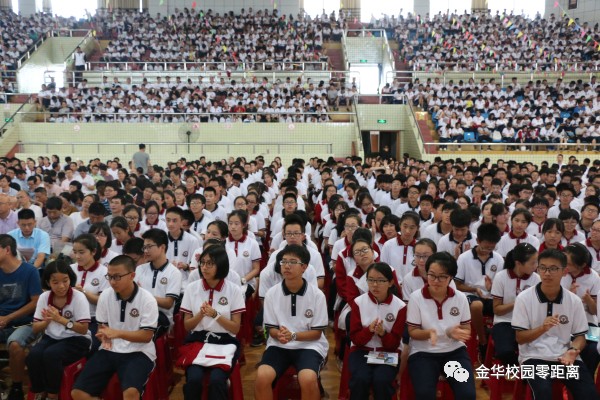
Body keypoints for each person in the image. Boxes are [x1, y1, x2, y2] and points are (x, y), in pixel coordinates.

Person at [512, 249, 598, 400]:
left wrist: (574, 350)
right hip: (533, 358)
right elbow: (520, 338)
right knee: (543, 393)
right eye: (543, 268)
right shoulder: (524, 298)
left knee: (588, 394)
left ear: (564, 271)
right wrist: (542, 328)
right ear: (537, 269)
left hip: (565, 358)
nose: (547, 273)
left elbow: (580, 336)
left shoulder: (574, 301)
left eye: (553, 269)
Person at [71, 255, 158, 400]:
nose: (112, 282)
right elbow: (102, 327)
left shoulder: (147, 299)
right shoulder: (105, 296)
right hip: (109, 349)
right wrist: (103, 335)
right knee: (78, 393)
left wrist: (117, 333)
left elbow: (146, 336)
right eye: (109, 276)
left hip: (139, 352)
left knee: (130, 393)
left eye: (117, 277)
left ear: (132, 276)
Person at [255, 244, 329, 400]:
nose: (286, 266)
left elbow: (316, 333)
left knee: (307, 378)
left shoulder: (317, 296)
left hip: (309, 346)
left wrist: (293, 336)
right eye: (283, 261)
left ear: (304, 267)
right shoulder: (272, 294)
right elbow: (271, 329)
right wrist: (279, 335)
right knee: (262, 376)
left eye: (292, 262)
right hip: (279, 345)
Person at [406, 252, 476, 400]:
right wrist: (428, 333)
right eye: (431, 275)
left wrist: (451, 332)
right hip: (423, 353)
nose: (435, 281)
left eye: (442, 277)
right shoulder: (416, 298)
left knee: (467, 394)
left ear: (450, 277)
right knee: (425, 394)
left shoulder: (460, 298)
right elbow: (412, 331)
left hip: (453, 352)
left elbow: (466, 329)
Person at [179, 245, 245, 400]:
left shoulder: (234, 290)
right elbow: (187, 326)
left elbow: (235, 328)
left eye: (210, 263)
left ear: (220, 265)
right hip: (197, 341)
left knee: (217, 381)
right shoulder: (192, 288)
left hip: (225, 342)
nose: (204, 267)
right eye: (202, 263)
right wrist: (200, 315)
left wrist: (215, 315)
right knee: (193, 380)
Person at [27, 260, 91, 400]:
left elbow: (83, 329)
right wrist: (47, 320)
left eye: (65, 280)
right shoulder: (44, 297)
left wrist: (60, 319)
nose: (61, 286)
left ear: (70, 279)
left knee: (51, 355)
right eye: (55, 282)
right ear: (48, 282)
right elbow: (36, 328)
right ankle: (39, 391)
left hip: (77, 339)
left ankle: (53, 394)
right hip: (52, 337)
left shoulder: (79, 297)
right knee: (34, 355)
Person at [348, 262, 406, 400]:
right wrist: (369, 330)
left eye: (380, 281)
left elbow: (394, 343)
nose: (375, 285)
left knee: (382, 380)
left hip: (388, 353)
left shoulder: (400, 306)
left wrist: (383, 333)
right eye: (371, 280)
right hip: (361, 350)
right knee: (360, 379)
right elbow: (355, 338)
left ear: (391, 282)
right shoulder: (358, 302)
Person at [0, 234, 42, 400]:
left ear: (7, 250)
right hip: (2, 321)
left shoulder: (29, 271)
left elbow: (36, 302)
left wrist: (9, 318)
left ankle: (16, 388)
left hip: (25, 323)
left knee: (16, 345)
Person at [455, 223, 504, 360]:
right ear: (477, 241)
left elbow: (501, 287)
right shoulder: (464, 258)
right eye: (485, 246)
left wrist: (492, 288)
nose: (488, 250)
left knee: (506, 306)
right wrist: (474, 289)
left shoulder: (498, 259)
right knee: (477, 306)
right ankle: (483, 341)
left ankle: (497, 340)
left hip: (491, 296)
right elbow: (457, 284)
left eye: (492, 247)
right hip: (469, 294)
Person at [491, 243, 540, 366]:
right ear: (518, 263)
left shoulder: (537, 279)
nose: (536, 266)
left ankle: (527, 377)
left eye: (536, 261)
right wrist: (518, 301)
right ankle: (519, 372)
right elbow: (497, 310)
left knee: (539, 352)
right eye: (532, 262)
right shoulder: (501, 277)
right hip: (505, 321)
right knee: (504, 352)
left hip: (529, 323)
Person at [561, 243, 600, 375]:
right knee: (563, 346)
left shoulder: (593, 277)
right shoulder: (559, 272)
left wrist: (589, 301)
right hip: (563, 319)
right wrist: (567, 295)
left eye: (569, 263)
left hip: (587, 320)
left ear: (582, 265)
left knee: (593, 350)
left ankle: (584, 380)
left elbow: (595, 312)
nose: (564, 265)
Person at [137, 228, 182, 336]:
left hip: (161, 316)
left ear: (162, 247)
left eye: (149, 247)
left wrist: (143, 294)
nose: (145, 251)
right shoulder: (140, 269)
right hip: (140, 313)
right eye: (144, 247)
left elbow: (168, 303)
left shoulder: (174, 272)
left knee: (143, 332)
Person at [70, 233, 109, 351]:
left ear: (93, 251)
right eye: (75, 252)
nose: (77, 256)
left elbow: (103, 301)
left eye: (81, 252)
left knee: (89, 347)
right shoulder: (70, 269)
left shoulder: (104, 272)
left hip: (93, 319)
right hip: (71, 317)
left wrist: (84, 292)